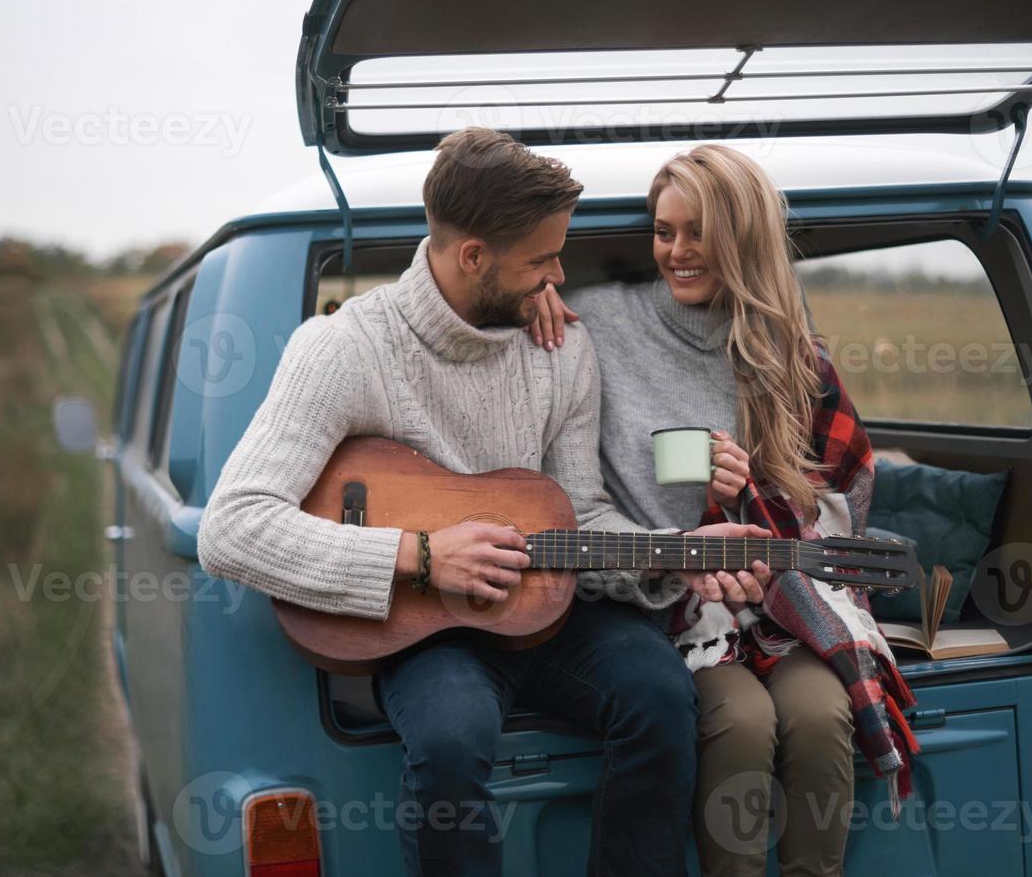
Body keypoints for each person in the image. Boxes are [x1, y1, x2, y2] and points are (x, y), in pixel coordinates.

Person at [196, 127, 769, 877]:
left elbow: (582, 515)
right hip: (431, 632)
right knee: (447, 743)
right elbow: (231, 527)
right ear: (473, 256)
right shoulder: (344, 349)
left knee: (661, 698)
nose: (558, 277)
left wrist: (676, 558)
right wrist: (422, 555)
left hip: (551, 615)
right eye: (539, 259)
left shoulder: (561, 348)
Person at [529, 144, 919, 877]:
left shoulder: (790, 356)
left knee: (819, 715)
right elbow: (498, 290)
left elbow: (837, 505)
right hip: (663, 602)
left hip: (779, 598)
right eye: (662, 231)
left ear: (743, 237)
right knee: (739, 723)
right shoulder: (598, 325)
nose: (677, 251)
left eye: (698, 232)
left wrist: (751, 490)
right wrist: (530, 299)